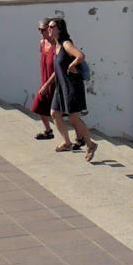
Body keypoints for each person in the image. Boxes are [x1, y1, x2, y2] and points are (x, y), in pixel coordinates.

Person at [48, 17, 97, 162]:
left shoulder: (66, 44)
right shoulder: (55, 45)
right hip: (61, 87)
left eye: (52, 27)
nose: (49, 29)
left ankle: (90, 144)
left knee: (74, 118)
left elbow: (81, 56)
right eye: (49, 26)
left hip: (72, 87)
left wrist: (71, 66)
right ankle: (67, 142)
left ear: (60, 29)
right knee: (55, 113)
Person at [30, 19, 56, 140]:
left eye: (43, 29)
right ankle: (48, 130)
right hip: (45, 81)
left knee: (62, 114)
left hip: (54, 83)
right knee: (38, 105)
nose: (41, 32)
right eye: (39, 29)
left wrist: (47, 85)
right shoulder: (42, 43)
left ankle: (79, 137)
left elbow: (58, 69)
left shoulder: (57, 45)